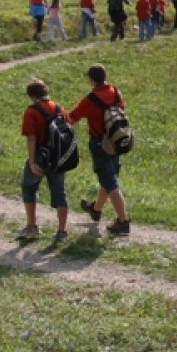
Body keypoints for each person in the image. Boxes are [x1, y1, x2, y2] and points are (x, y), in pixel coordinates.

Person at [69, 63, 131, 235]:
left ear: (91, 80)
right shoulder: (116, 92)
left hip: (99, 143)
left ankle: (123, 221)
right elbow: (121, 109)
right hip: (116, 140)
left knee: (110, 182)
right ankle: (96, 209)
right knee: (109, 176)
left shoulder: (90, 99)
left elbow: (72, 118)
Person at [19, 78, 72, 240]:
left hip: (41, 157)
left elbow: (31, 138)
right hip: (58, 158)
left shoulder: (31, 111)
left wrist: (32, 161)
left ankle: (32, 226)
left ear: (32, 96)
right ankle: (62, 231)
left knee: (28, 186)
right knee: (59, 191)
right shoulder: (59, 108)